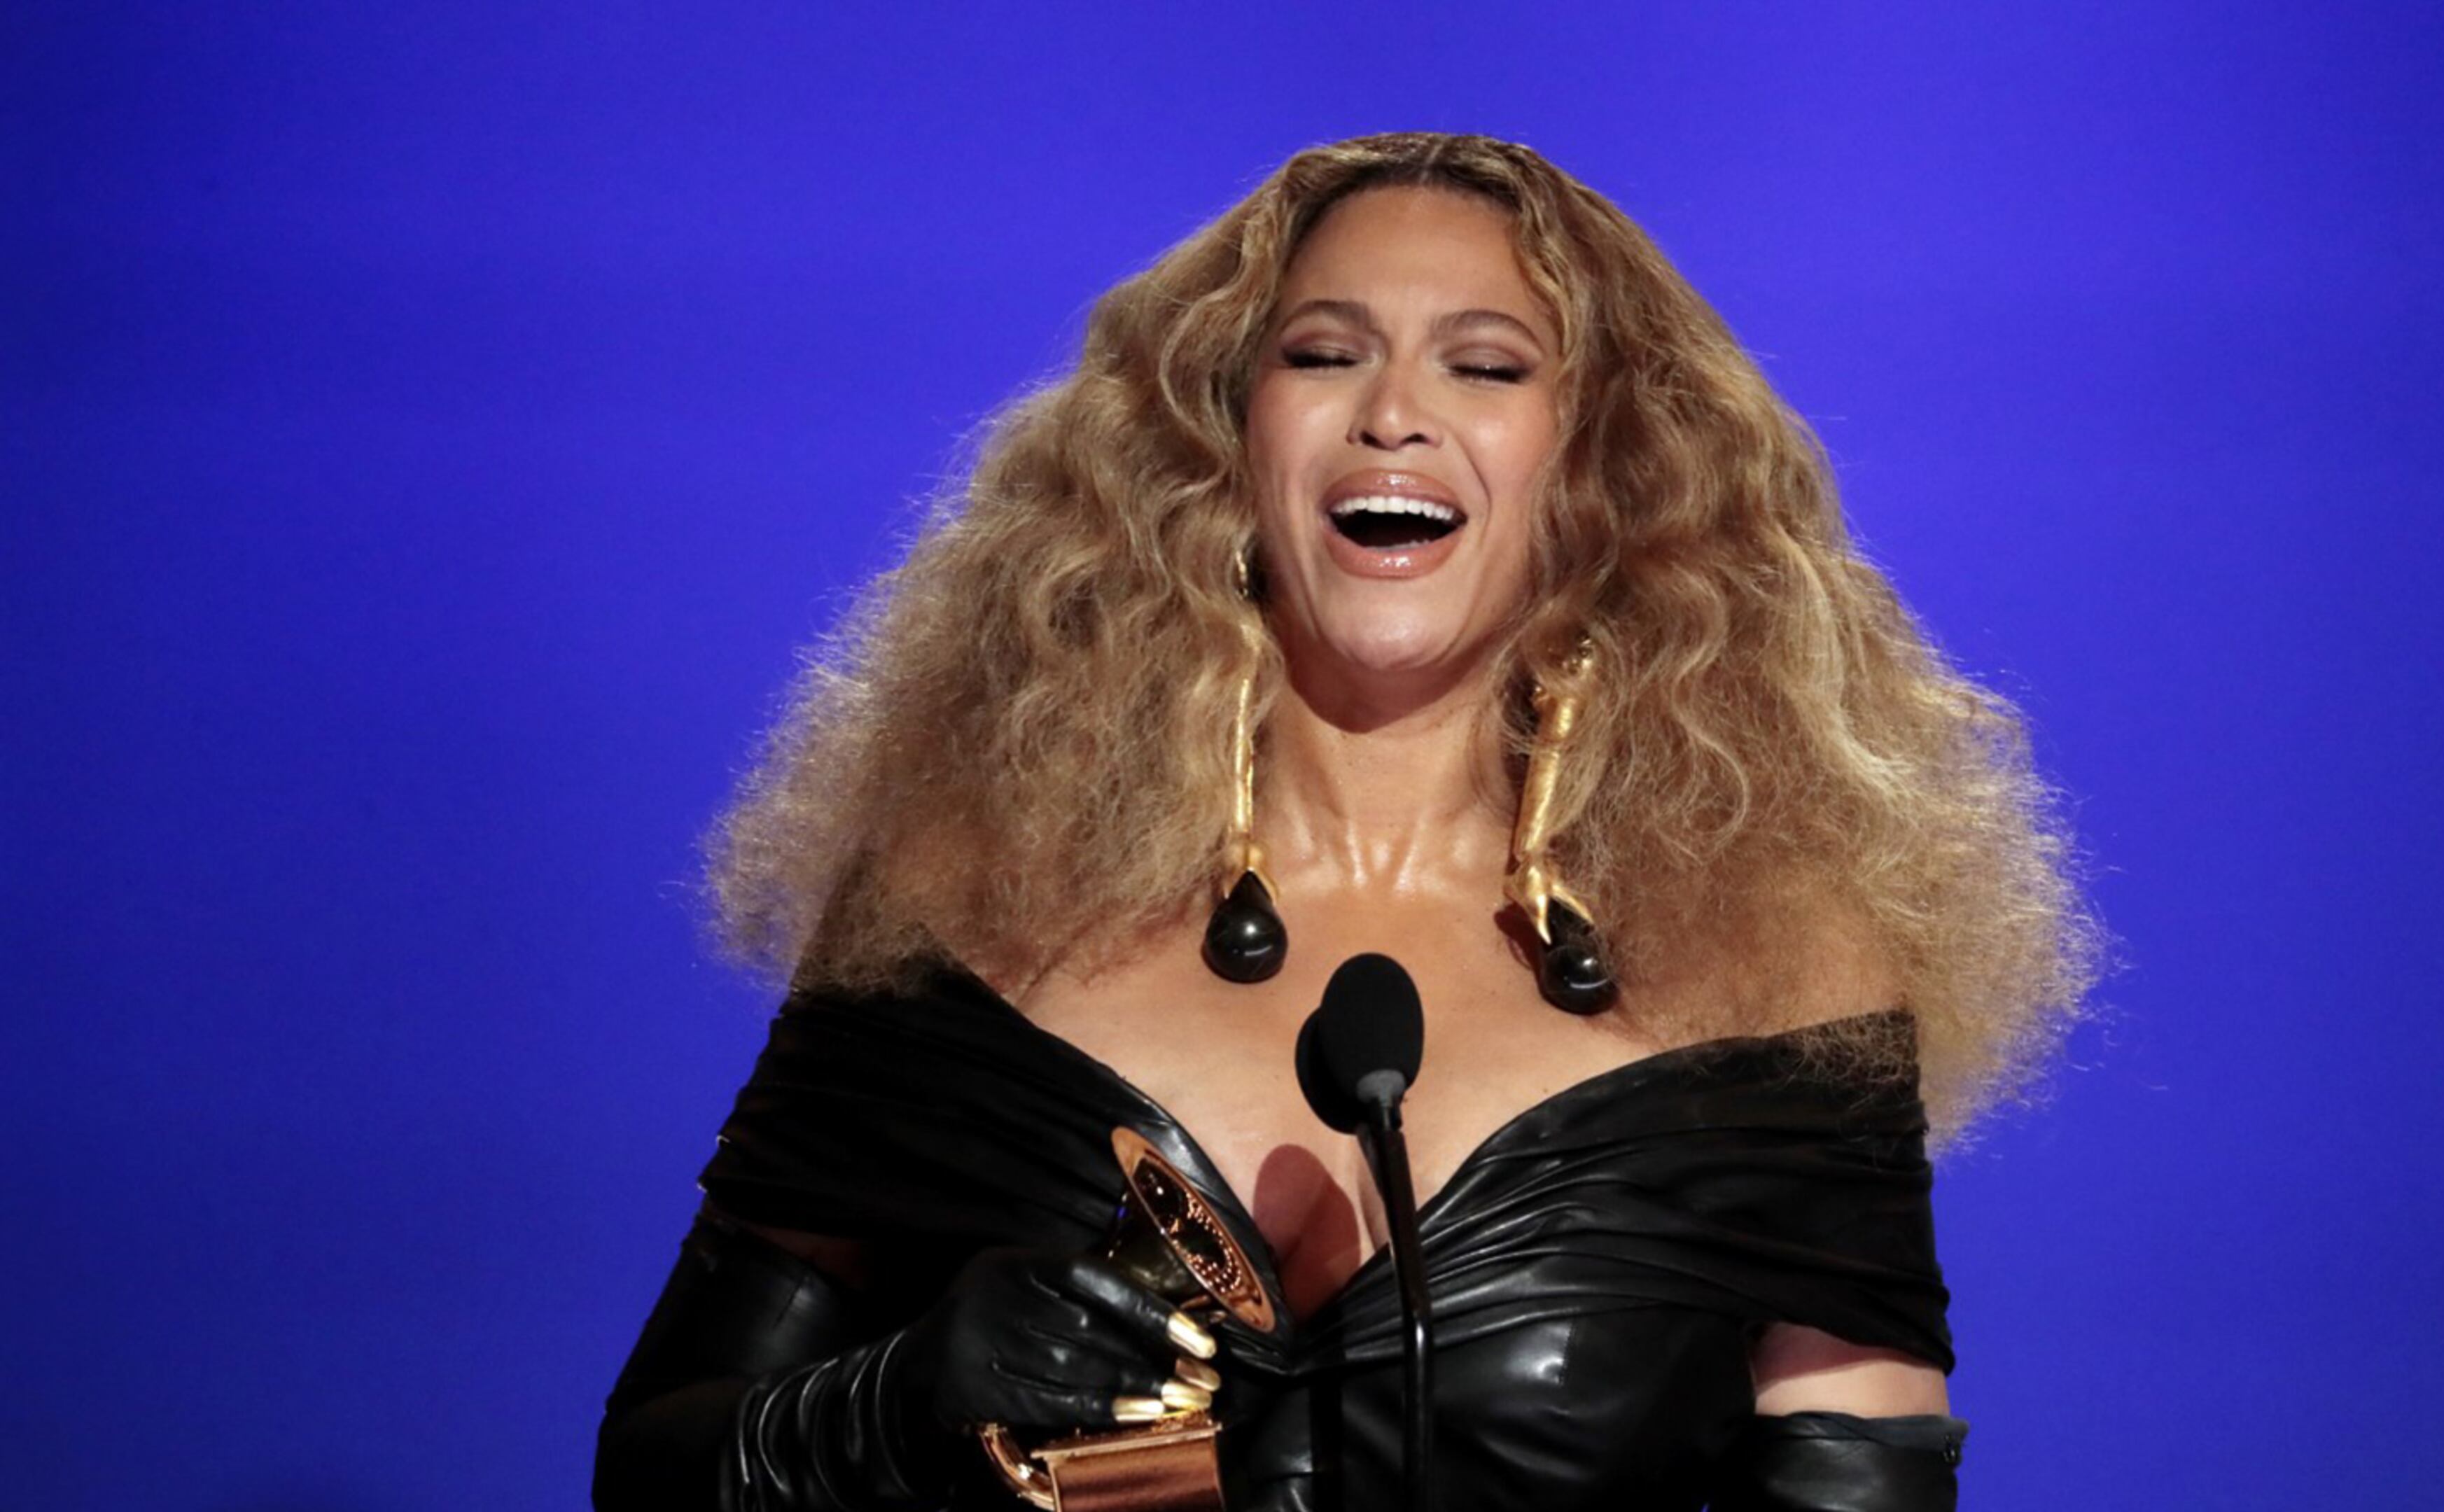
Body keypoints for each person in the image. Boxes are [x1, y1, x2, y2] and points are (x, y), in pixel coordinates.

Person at [594, 132, 2095, 1511]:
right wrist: (890, 1409)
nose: (1393, 416)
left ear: (1599, 467)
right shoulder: (966, 898)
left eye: (1485, 367)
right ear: (1223, 440)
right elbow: (653, 1467)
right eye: (1324, 355)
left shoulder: (1784, 973)